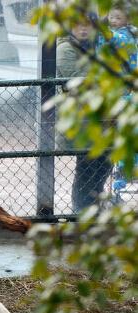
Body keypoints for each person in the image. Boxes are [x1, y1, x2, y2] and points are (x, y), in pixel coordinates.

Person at [56, 16, 112, 212]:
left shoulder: (96, 47)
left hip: (101, 118)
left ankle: (94, 207)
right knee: (87, 166)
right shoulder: (66, 49)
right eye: (78, 24)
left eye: (87, 25)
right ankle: (81, 210)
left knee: (104, 163)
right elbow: (74, 80)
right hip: (82, 119)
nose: (83, 29)